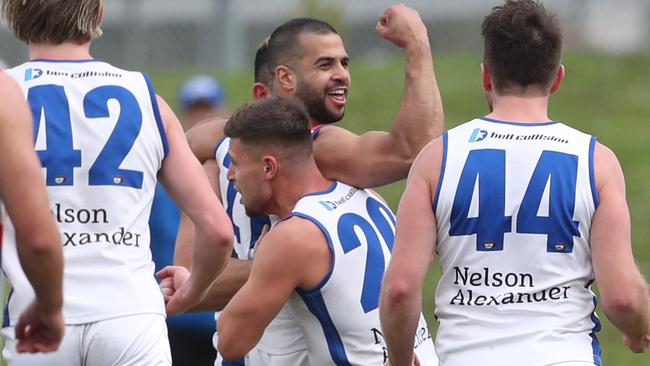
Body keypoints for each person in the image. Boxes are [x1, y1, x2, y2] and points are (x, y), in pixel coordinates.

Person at [162, 5, 444, 365]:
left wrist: (279, 268)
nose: (342, 74)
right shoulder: (226, 149)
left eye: (344, 63)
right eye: (325, 65)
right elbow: (188, 289)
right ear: (280, 82)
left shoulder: (319, 150)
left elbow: (413, 152)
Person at [380, 1, 650, 365]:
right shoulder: (596, 161)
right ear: (557, 78)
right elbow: (622, 299)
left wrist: (398, 359)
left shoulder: (437, 158)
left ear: (486, 76)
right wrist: (637, 330)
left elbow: (400, 289)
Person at [0, 1, 234, 365]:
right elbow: (218, 230)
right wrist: (194, 291)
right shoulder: (146, 98)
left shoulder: (7, 93)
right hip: (130, 315)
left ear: (13, 17)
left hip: (38, 316)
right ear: (98, 14)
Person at [212, 96, 432, 365]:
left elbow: (231, 342)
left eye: (236, 162)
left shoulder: (292, 238)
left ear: (269, 167)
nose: (231, 174)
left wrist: (262, 265)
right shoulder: (367, 196)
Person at [149, 74, 229, 366]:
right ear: (182, 116)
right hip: (172, 321)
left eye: (208, 108)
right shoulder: (157, 179)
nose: (201, 116)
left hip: (220, 318)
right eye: (194, 109)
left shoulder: (237, 177)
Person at [0, 72, 64, 355]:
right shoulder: (6, 92)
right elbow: (216, 230)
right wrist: (49, 306)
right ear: (97, 23)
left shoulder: (12, 85)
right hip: (127, 313)